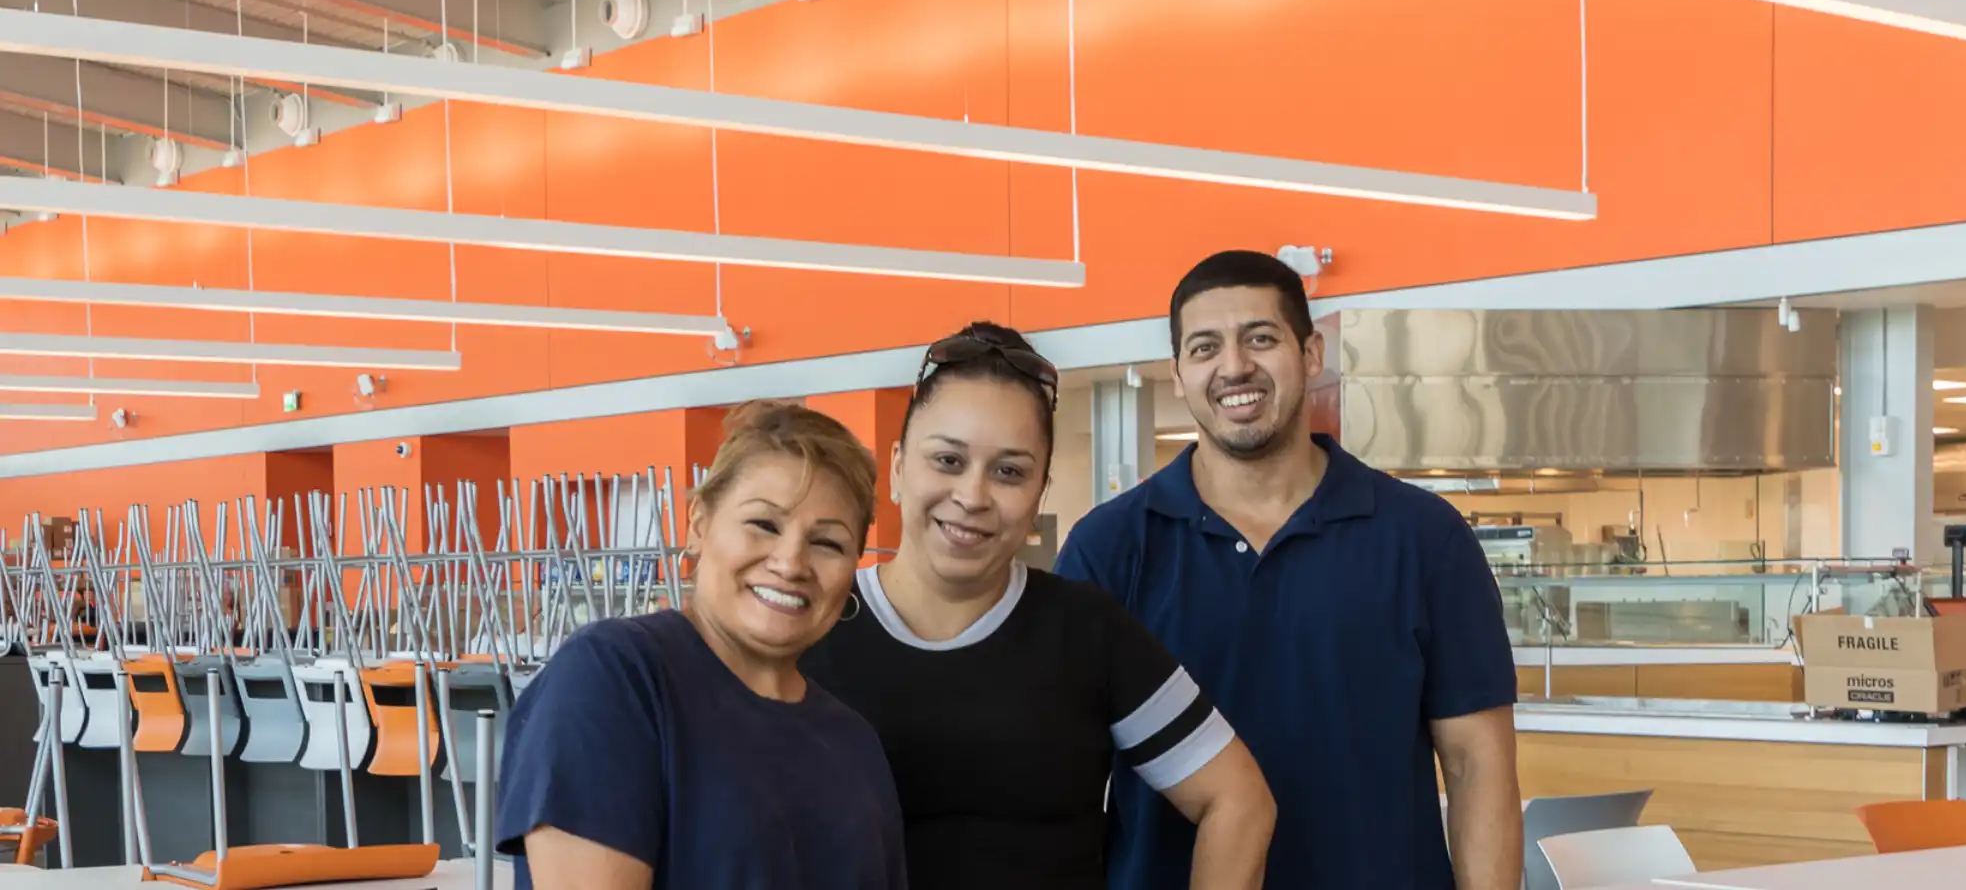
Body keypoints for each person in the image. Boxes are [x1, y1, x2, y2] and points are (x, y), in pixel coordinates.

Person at [1056, 251, 1522, 890]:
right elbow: (1065, 783)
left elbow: (1478, 765)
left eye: (1261, 338)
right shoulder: (1108, 548)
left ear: (1311, 354)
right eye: (1204, 348)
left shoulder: (1425, 538)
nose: (1234, 366)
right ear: (1179, 375)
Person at [800, 322, 1276, 890]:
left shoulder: (1086, 631)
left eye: (1009, 472)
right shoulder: (812, 624)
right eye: (948, 461)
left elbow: (1238, 801)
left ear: (1039, 494)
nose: (973, 497)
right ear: (899, 467)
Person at [496, 402, 909, 890]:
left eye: (828, 543)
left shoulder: (853, 742)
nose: (792, 562)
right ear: (698, 524)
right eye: (764, 524)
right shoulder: (615, 677)